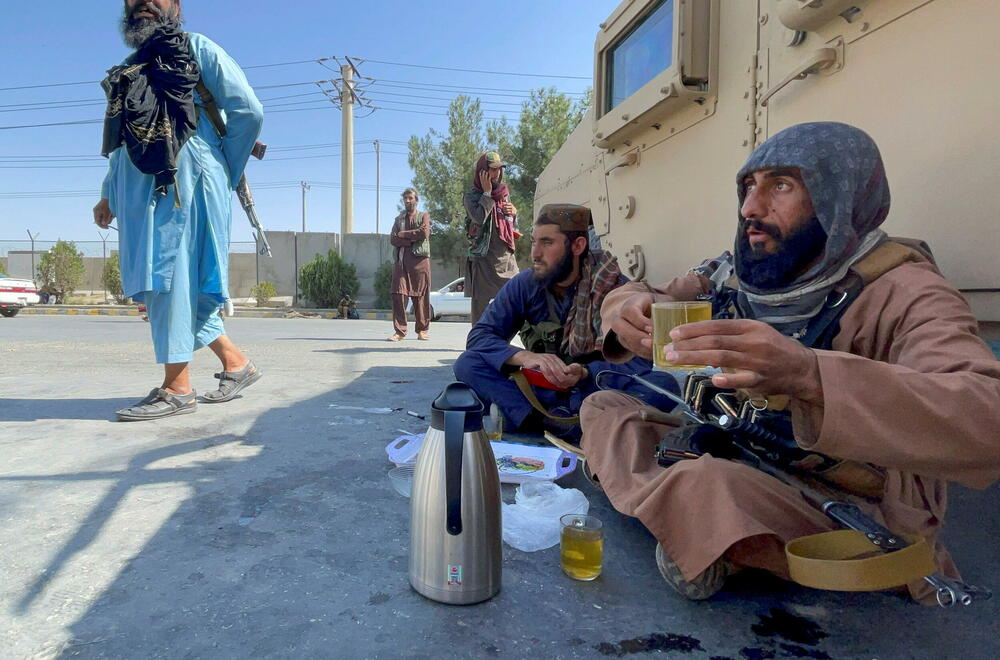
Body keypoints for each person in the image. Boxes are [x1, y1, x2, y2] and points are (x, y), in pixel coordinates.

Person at [579, 122, 1000, 603]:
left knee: (705, 485)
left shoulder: (907, 291)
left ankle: (670, 508)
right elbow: (645, 292)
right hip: (738, 447)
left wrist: (809, 374)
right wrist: (623, 308)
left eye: (781, 185)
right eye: (748, 187)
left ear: (839, 197)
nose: (751, 209)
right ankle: (692, 523)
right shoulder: (735, 269)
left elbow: (987, 417)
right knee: (603, 406)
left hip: (843, 495)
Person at [93, 0, 264, 421]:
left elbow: (248, 111)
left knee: (171, 277)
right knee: (165, 282)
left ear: (177, 6)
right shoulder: (129, 68)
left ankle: (177, 388)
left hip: (185, 184)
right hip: (139, 192)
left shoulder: (196, 48)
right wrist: (108, 195)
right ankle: (236, 363)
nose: (143, 3)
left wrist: (223, 165)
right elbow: (123, 141)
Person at [453, 204, 679, 441]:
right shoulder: (525, 285)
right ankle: (556, 422)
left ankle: (540, 418)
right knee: (468, 363)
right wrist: (527, 358)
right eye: (533, 242)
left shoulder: (616, 289)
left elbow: (639, 363)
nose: (535, 254)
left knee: (663, 384)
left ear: (578, 246)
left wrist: (584, 372)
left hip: (595, 388)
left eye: (547, 243)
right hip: (541, 390)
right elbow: (480, 338)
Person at [464, 150, 520, 324]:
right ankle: (478, 346)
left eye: (499, 169)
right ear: (482, 171)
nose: (496, 174)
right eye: (492, 169)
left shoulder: (504, 193)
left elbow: (511, 226)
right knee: (480, 307)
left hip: (506, 258)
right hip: (484, 259)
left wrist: (514, 213)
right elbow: (479, 218)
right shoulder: (471, 196)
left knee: (515, 300)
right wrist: (487, 194)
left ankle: (503, 343)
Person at [387, 188, 432, 341]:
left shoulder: (423, 216)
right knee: (398, 294)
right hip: (401, 263)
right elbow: (393, 239)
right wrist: (412, 238)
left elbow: (424, 233)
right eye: (405, 198)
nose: (407, 201)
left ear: (416, 200)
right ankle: (400, 331)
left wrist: (403, 235)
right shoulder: (398, 219)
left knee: (421, 296)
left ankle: (422, 330)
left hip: (420, 264)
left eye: (410, 198)